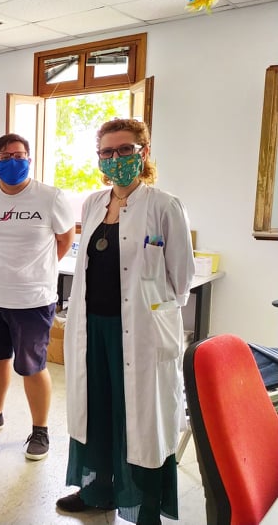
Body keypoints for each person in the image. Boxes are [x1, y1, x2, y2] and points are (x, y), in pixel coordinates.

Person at [57, 118, 195, 525]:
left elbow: (181, 278)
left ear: (143, 152)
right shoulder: (92, 204)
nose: (115, 158)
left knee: (141, 418)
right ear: (98, 158)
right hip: (92, 328)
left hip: (140, 333)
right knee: (95, 408)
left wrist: (153, 314)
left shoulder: (164, 205)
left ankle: (145, 506)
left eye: (124, 150)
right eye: (107, 151)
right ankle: (97, 490)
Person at [0, 133, 74, 462]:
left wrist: (35, 271)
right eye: (6, 156)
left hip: (32, 299)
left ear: (29, 159)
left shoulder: (50, 197)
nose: (14, 161)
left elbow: (65, 239)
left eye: (20, 155)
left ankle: (40, 429)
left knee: (32, 367)